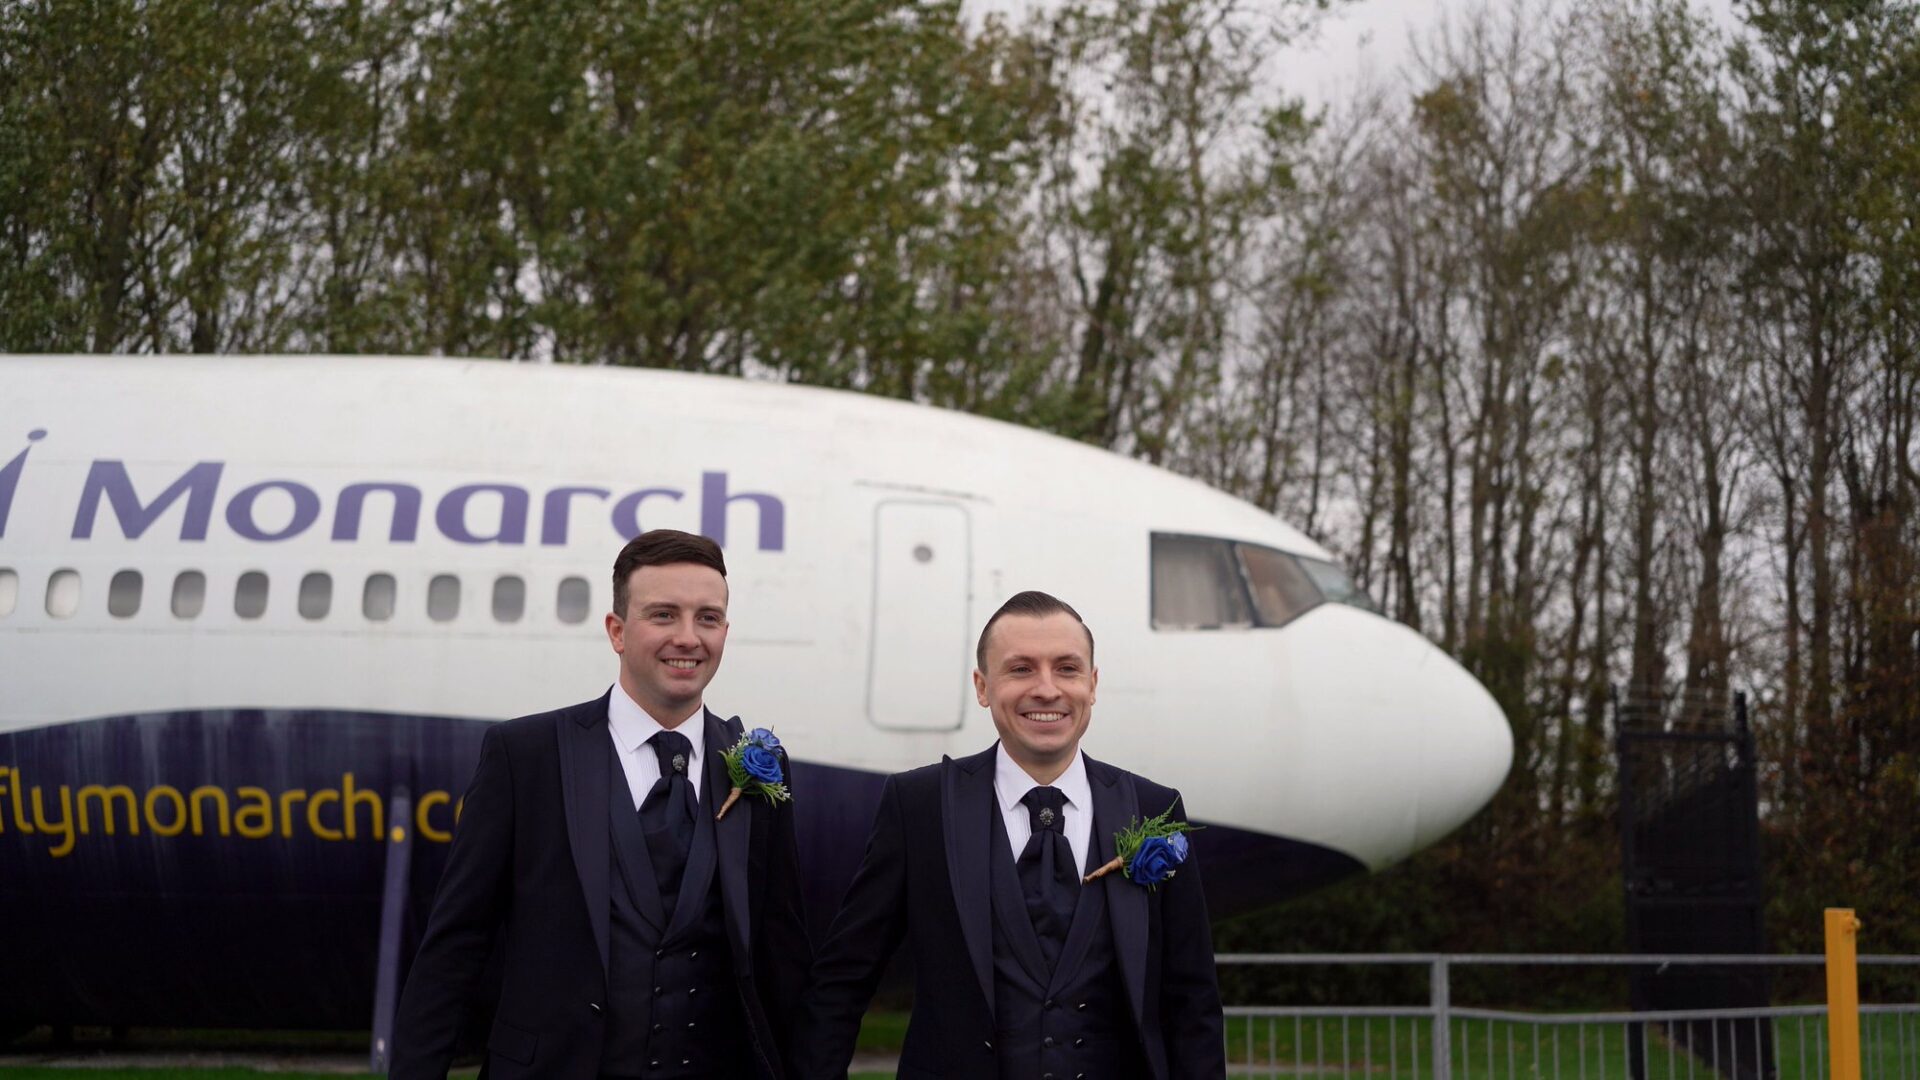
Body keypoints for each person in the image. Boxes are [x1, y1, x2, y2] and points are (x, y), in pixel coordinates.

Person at [391, 529, 810, 1080]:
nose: (688, 637)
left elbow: (784, 958)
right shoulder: (525, 757)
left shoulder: (760, 765)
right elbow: (456, 944)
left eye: (707, 618)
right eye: (663, 615)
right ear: (616, 630)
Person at [796, 590, 1225, 1080]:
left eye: (1067, 668)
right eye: (1021, 669)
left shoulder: (1154, 809)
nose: (1046, 689)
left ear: (1093, 683)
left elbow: (1193, 1003)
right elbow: (845, 977)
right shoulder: (917, 807)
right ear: (982, 686)